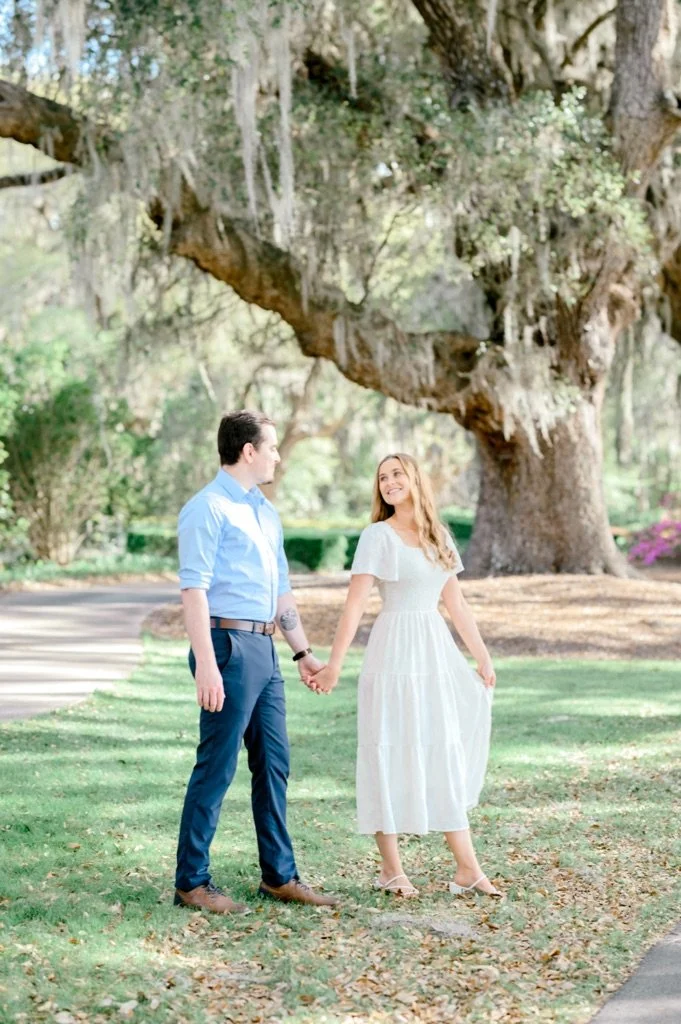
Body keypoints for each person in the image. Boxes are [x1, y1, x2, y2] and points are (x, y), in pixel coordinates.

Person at [311, 454, 500, 898]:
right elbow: (354, 603)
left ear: (415, 479)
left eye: (397, 474)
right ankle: (392, 869)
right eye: (382, 477)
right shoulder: (378, 536)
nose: (390, 482)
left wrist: (483, 656)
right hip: (393, 651)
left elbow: (456, 604)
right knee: (388, 747)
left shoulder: (438, 537)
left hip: (434, 652)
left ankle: (467, 868)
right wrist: (335, 664)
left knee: (441, 749)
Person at [174, 410, 338, 914]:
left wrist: (303, 652)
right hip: (227, 649)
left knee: (274, 765)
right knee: (217, 766)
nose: (277, 455)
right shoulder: (208, 509)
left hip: (266, 649)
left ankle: (280, 876)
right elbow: (194, 591)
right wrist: (205, 662)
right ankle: (192, 881)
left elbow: (281, 591)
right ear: (248, 450)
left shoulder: (265, 512)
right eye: (271, 447)